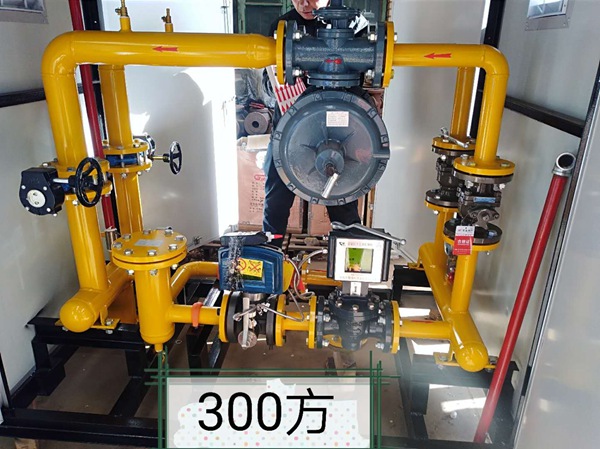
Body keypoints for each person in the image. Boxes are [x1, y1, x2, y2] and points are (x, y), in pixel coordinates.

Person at [262, 0, 364, 248]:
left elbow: (359, 80)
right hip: (290, 128)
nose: (304, 3)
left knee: (342, 199)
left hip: (337, 131)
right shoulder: (282, 27)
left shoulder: (353, 25)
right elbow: (267, 82)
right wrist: (282, 84)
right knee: (276, 197)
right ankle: (271, 251)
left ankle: (351, 258)